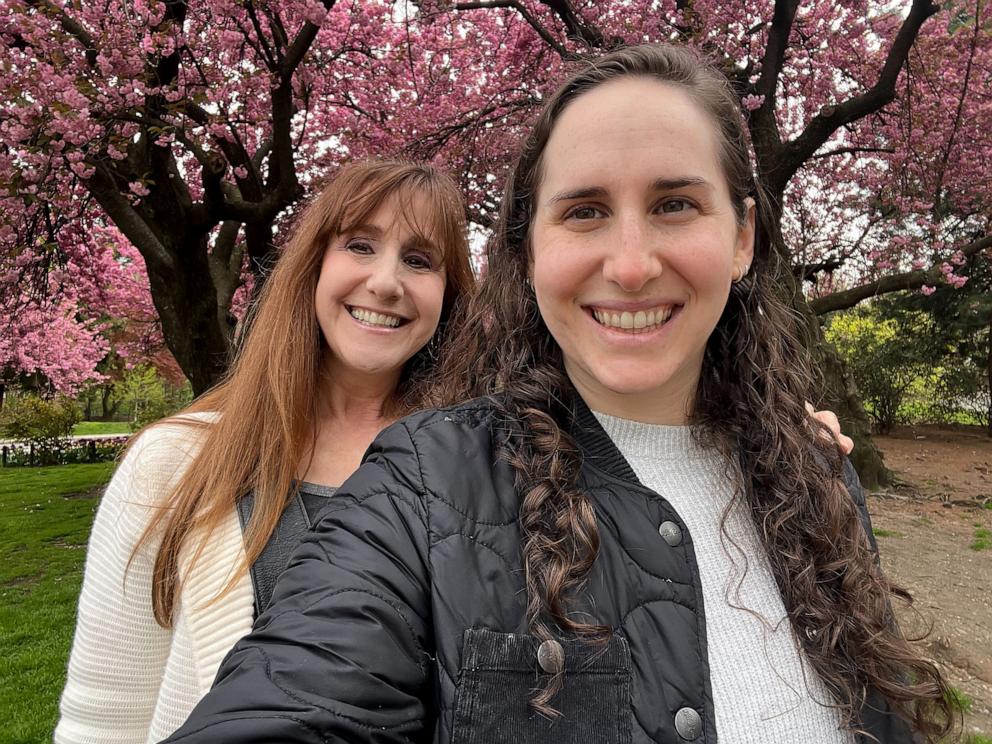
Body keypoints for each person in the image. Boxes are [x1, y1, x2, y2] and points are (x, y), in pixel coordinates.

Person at [157, 43, 951, 744]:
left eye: (675, 204)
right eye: (584, 211)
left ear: (742, 237)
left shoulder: (818, 475)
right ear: (528, 253)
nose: (632, 264)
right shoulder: (420, 487)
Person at [54, 160, 476, 744]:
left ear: (449, 294)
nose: (386, 281)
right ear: (312, 266)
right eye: (359, 245)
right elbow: (102, 718)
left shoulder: (479, 469)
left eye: (420, 260)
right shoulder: (171, 463)